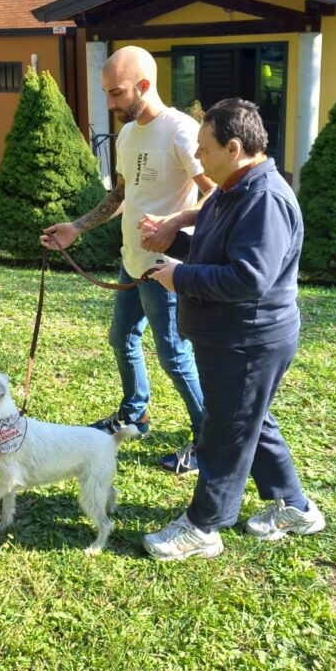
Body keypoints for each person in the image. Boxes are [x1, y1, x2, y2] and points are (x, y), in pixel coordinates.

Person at [140, 98, 325, 560]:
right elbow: (219, 247)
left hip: (250, 339)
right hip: (232, 338)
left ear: (235, 147)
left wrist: (177, 276)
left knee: (225, 432)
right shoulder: (234, 188)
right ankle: (296, 508)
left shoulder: (264, 198)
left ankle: (203, 528)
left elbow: (248, 278)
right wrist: (174, 238)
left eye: (205, 149)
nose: (198, 158)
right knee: (251, 419)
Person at [42, 46, 213, 474]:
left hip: (165, 268)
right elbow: (122, 193)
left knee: (174, 357)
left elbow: (216, 194)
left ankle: (210, 442)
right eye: (106, 93)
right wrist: (77, 227)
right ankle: (135, 414)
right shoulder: (129, 134)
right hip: (132, 262)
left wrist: (175, 224)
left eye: (116, 93)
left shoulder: (180, 131)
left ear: (143, 85)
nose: (110, 103)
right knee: (122, 340)